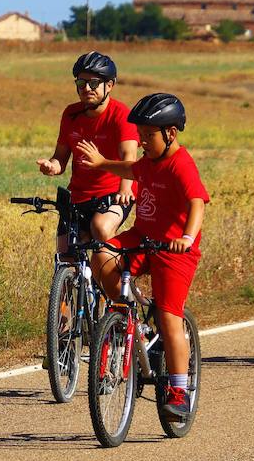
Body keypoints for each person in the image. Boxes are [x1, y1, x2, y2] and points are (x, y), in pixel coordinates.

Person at [75, 93, 208, 419]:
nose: (142, 141)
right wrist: (103, 163)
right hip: (142, 238)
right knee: (102, 255)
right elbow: (132, 169)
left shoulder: (181, 164)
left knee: (169, 317)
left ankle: (177, 391)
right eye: (141, 134)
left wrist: (186, 238)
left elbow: (197, 203)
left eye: (148, 135)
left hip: (174, 250)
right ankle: (123, 315)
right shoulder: (149, 162)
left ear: (170, 134)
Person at [38, 51, 139, 253]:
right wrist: (51, 166)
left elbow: (130, 156)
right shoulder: (71, 114)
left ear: (109, 85)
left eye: (93, 83)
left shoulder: (121, 115)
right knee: (66, 254)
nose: (86, 89)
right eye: (81, 83)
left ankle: (115, 280)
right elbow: (60, 157)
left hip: (113, 193)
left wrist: (125, 189)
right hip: (78, 195)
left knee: (100, 229)